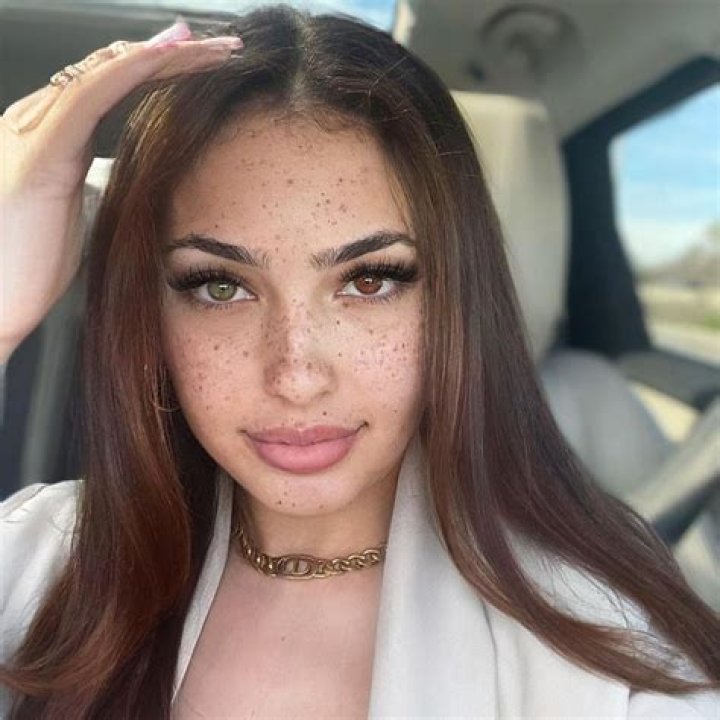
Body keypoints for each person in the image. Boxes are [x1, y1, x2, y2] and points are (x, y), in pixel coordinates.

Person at [0, 6, 718, 718]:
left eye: (370, 280)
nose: (297, 376)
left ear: (455, 297)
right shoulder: (40, 561)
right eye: (220, 287)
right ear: (148, 311)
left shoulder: (607, 659)